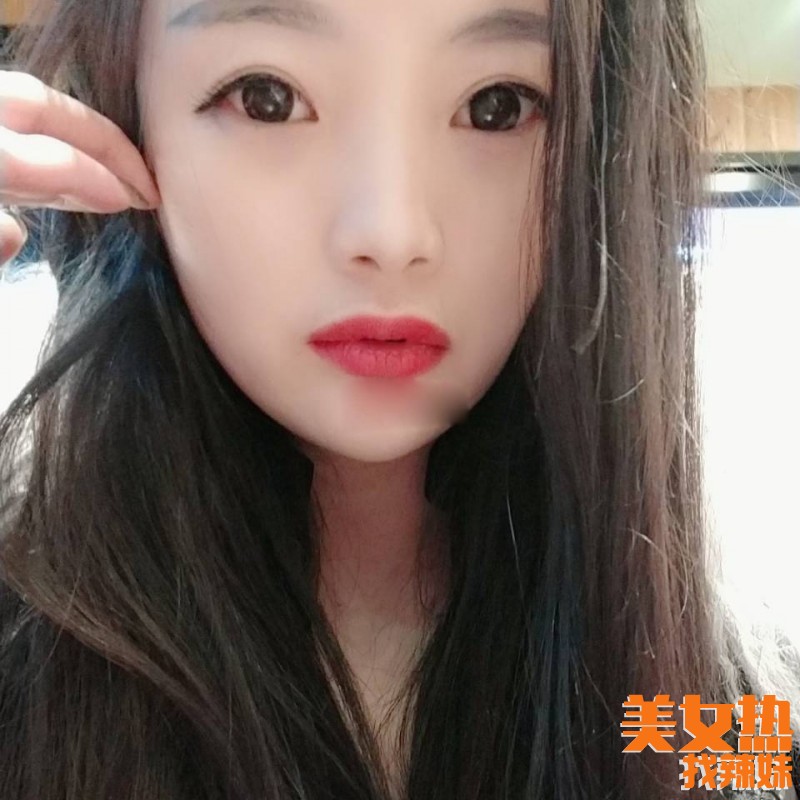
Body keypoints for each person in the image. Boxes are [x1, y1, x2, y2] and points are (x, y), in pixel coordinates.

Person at [0, 1, 798, 798]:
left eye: (497, 106)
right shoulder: (24, 670)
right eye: (267, 98)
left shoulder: (726, 710)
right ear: (125, 118)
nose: (393, 233)